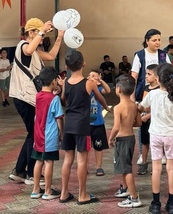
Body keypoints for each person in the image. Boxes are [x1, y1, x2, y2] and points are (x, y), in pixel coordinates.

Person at [9, 18, 63, 185]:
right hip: (24, 97)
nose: (44, 36)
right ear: (31, 32)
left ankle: (19, 171)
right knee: (34, 133)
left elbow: (52, 55)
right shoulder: (23, 46)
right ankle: (32, 173)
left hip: (30, 99)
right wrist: (42, 31)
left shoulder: (35, 53)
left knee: (32, 133)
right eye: (39, 32)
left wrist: (60, 37)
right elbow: (28, 50)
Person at [138, 63, 173, 214]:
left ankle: (155, 203)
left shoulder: (152, 94)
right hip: (171, 136)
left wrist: (140, 108)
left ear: (159, 79)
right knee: (171, 169)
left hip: (155, 134)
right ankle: (172, 203)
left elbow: (141, 107)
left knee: (156, 169)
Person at [59, 51, 110, 205]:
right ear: (84, 64)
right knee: (82, 160)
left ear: (67, 67)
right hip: (82, 126)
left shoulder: (66, 82)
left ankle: (63, 193)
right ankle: (82, 195)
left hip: (69, 124)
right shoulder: (89, 83)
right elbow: (101, 99)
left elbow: (63, 100)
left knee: (68, 160)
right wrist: (108, 107)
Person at [131, 29, 170, 165]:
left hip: (161, 94)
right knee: (144, 123)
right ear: (147, 41)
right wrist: (132, 96)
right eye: (154, 40)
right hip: (144, 94)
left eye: (159, 40)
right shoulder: (140, 55)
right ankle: (143, 153)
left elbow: (169, 74)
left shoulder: (164, 55)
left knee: (161, 121)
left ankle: (163, 153)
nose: (157, 42)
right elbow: (134, 77)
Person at [108, 74, 142, 208]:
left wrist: (111, 138)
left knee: (126, 169)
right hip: (131, 138)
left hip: (121, 140)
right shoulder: (134, 105)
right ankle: (126, 189)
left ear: (118, 89)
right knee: (125, 165)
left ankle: (134, 198)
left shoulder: (117, 108)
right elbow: (139, 122)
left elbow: (116, 127)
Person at [30, 67, 63, 200]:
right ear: (54, 81)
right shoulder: (54, 99)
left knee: (39, 161)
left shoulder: (38, 96)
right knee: (49, 162)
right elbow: (59, 118)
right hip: (49, 136)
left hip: (38, 135)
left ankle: (35, 189)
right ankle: (48, 191)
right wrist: (62, 133)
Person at [137, 64, 159, 175]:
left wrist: (148, 116)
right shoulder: (145, 89)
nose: (146, 76)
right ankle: (144, 163)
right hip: (145, 121)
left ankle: (157, 165)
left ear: (156, 77)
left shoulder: (160, 90)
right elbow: (143, 105)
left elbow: (158, 108)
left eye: (149, 74)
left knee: (156, 144)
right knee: (144, 142)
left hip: (155, 121)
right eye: (146, 73)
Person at [88, 69, 111, 176]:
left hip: (98, 122)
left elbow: (108, 91)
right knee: (84, 147)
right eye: (89, 75)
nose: (90, 77)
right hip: (86, 123)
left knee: (99, 146)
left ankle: (99, 167)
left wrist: (101, 82)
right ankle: (84, 166)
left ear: (98, 78)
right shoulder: (85, 88)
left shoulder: (99, 88)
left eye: (94, 76)